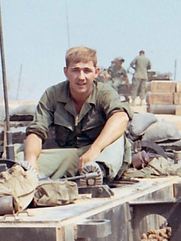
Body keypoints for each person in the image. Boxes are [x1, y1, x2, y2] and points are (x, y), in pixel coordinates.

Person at [23, 46, 132, 181]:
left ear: (96, 72)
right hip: (69, 156)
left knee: (117, 137)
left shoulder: (105, 93)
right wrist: (31, 160)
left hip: (100, 154)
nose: (81, 77)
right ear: (66, 72)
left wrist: (94, 150)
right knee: (20, 155)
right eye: (75, 70)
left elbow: (121, 118)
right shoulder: (53, 94)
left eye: (87, 71)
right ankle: (31, 176)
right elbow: (37, 131)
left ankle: (97, 172)